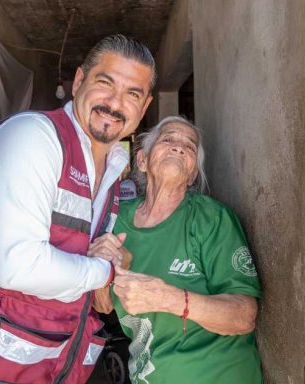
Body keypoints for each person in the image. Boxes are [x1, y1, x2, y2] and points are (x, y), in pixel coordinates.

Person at [0, 34, 155, 384]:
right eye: (105, 83)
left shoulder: (112, 170)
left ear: (145, 106)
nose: (115, 103)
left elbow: (93, 295)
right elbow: (18, 266)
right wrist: (104, 271)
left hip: (49, 367)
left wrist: (111, 265)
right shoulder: (34, 137)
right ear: (78, 81)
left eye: (132, 94)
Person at [91, 116, 263, 383]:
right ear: (143, 160)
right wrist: (105, 271)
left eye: (190, 147)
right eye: (168, 139)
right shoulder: (115, 218)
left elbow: (243, 316)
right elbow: (102, 306)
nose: (179, 147)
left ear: (193, 173)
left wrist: (168, 299)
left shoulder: (211, 219)